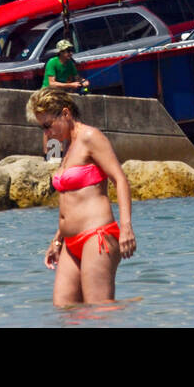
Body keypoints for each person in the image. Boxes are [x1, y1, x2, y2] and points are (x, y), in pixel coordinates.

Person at [28, 87, 135, 304]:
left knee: (100, 313)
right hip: (70, 242)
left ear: (66, 114)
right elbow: (69, 197)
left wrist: (126, 227)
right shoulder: (65, 147)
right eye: (42, 128)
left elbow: (120, 179)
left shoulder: (90, 137)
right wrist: (57, 240)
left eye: (48, 126)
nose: (47, 133)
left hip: (97, 236)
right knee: (64, 311)